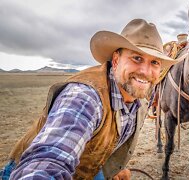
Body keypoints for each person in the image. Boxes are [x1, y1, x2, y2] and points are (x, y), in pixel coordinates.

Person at [0, 19, 175, 180]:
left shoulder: (139, 98)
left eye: (154, 63)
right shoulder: (85, 96)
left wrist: (112, 169)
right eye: (137, 58)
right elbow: (50, 158)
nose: (145, 71)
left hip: (89, 167)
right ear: (115, 60)